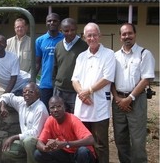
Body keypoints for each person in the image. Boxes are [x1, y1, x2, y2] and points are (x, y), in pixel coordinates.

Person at [71, 22, 116, 163]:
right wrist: (82, 94)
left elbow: (107, 78)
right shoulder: (81, 56)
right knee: (83, 141)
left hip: (99, 106)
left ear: (100, 36)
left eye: (94, 35)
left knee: (100, 143)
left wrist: (88, 91)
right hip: (82, 105)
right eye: (88, 35)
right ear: (84, 37)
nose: (92, 38)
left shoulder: (109, 54)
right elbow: (74, 79)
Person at [111, 23, 155, 163]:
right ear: (120, 37)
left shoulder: (144, 54)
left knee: (137, 140)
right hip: (118, 102)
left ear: (135, 34)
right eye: (124, 34)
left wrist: (129, 98)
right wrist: (118, 98)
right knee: (120, 138)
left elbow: (146, 79)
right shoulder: (114, 56)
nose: (127, 36)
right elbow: (110, 80)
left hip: (137, 101)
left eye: (130, 33)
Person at [34, 96, 96, 163]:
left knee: (83, 151)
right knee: (38, 154)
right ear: (49, 110)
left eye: (59, 106)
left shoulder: (73, 119)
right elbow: (39, 142)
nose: (55, 110)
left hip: (80, 155)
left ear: (64, 107)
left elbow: (91, 140)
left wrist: (65, 144)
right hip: (65, 154)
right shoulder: (50, 120)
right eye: (52, 108)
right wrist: (45, 148)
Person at [0, 82, 49, 163]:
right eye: (24, 92)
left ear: (38, 95)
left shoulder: (40, 109)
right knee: (7, 149)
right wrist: (3, 106)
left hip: (38, 142)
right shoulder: (22, 102)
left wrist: (14, 137)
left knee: (28, 141)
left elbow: (35, 133)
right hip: (25, 141)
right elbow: (6, 96)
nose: (27, 94)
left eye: (31, 92)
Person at [53, 18, 88, 113]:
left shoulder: (84, 46)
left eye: (73, 30)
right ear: (61, 31)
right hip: (59, 90)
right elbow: (55, 67)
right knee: (60, 116)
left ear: (76, 29)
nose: (70, 33)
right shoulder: (58, 46)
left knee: (75, 118)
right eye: (66, 31)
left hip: (75, 91)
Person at [35, 13, 64, 109]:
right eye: (49, 21)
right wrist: (32, 80)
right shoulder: (40, 40)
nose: (52, 22)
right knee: (45, 111)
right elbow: (37, 63)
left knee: (60, 112)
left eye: (55, 21)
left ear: (59, 23)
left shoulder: (65, 39)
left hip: (61, 84)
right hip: (45, 83)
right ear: (46, 23)